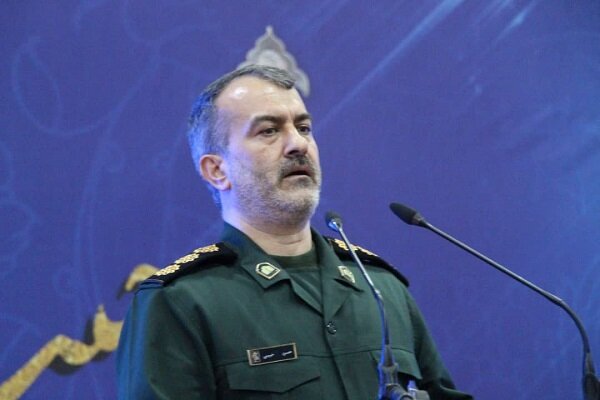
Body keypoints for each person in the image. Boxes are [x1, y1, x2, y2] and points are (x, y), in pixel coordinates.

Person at [116, 65, 472, 399]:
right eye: (268, 131)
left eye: (303, 128)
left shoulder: (380, 288)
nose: (298, 144)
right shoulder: (179, 302)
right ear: (217, 170)